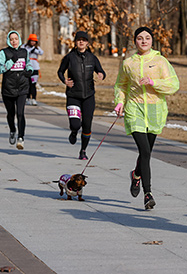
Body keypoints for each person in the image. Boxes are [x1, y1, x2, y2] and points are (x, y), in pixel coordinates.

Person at [114, 27, 179, 210]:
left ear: (152, 41)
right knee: (145, 151)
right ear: (135, 41)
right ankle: (148, 193)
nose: (143, 41)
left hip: (155, 111)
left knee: (146, 152)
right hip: (134, 109)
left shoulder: (160, 61)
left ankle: (136, 174)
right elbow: (121, 84)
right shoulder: (128, 63)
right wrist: (120, 102)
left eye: (147, 38)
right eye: (140, 38)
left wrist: (153, 83)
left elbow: (173, 85)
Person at [57, 31, 106, 160]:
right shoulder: (69, 57)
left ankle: (83, 150)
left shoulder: (92, 58)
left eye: (84, 40)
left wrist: (101, 74)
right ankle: (73, 132)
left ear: (87, 43)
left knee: (87, 125)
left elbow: (101, 71)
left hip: (89, 96)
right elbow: (60, 71)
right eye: (79, 40)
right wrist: (65, 81)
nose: (81, 42)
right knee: (75, 124)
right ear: (75, 42)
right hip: (73, 95)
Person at [0, 31, 33, 150]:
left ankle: (21, 138)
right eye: (11, 39)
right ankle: (12, 130)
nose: (14, 41)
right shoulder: (4, 52)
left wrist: (29, 70)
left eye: (16, 39)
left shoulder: (24, 52)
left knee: (20, 113)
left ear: (19, 40)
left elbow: (28, 64)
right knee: (11, 114)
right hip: (8, 88)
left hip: (22, 87)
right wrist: (11, 61)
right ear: (8, 40)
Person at [22, 34, 44, 106]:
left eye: (34, 41)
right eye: (32, 41)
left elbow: (41, 52)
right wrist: (31, 50)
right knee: (27, 83)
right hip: (27, 67)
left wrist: (35, 50)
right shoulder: (24, 46)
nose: (33, 43)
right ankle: (27, 98)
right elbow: (24, 52)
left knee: (33, 84)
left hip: (35, 67)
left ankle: (33, 98)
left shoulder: (37, 48)